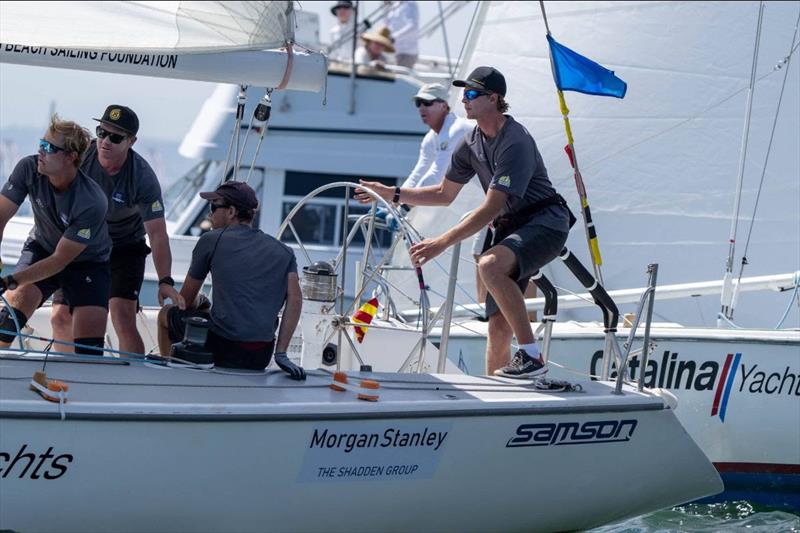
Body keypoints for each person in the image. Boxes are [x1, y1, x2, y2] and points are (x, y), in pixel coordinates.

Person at [356, 66, 572, 378]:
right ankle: (496, 397)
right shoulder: (470, 142)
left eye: (472, 94)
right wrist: (393, 193)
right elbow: (444, 193)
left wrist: (440, 243)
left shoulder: (516, 141)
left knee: (489, 266)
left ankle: (532, 357)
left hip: (547, 223)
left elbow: (490, 207)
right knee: (497, 328)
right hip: (513, 228)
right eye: (463, 94)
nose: (464, 100)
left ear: (494, 98)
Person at [49, 105, 183, 356]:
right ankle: (68, 377)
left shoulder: (142, 177)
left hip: (124, 248)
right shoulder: (81, 156)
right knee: (60, 316)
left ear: (131, 141)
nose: (105, 141)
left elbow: (157, 234)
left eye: (116, 137)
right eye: (101, 132)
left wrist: (165, 280)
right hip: (82, 244)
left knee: (123, 318)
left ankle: (131, 381)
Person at [157, 181, 305, 379]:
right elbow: (295, 300)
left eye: (213, 207)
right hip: (261, 355)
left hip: (224, 347)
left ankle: (171, 377)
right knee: (206, 313)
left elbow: (184, 302)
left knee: (165, 315)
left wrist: (197, 301)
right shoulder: (284, 251)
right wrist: (281, 353)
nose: (209, 215)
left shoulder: (211, 240)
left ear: (231, 211)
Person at [0, 116, 111, 356]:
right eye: (41, 144)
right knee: (6, 323)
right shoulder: (28, 168)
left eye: (49, 148)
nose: (41, 151)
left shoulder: (91, 201)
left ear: (70, 157)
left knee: (88, 350)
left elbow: (60, 261)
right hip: (42, 247)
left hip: (87, 263)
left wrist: (9, 281)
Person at [384, 1, 419, 69]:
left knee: (400, 77)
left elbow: (413, 26)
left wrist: (394, 37)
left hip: (406, 53)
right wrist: (386, 7)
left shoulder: (410, 4)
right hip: (392, 51)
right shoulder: (395, 5)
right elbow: (387, 24)